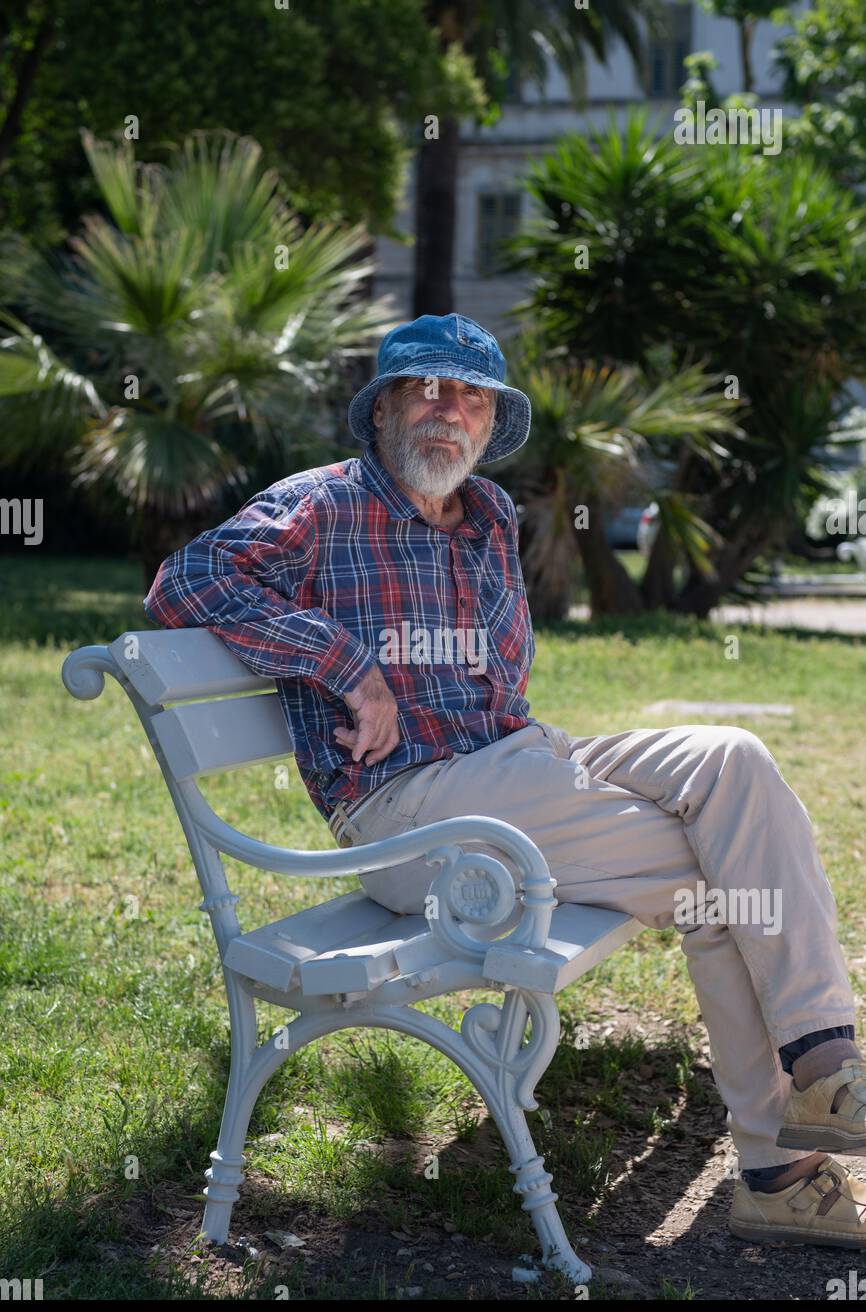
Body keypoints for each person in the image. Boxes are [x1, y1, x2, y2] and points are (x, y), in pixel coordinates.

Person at [144, 312, 866, 1247]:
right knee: (721, 877)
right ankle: (781, 1164)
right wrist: (344, 663)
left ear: (490, 424)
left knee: (733, 757)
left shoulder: (487, 517)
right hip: (411, 817)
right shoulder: (322, 506)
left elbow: (502, 686)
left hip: (517, 765)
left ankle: (822, 1064)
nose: (449, 410)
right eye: (426, 389)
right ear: (385, 411)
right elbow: (185, 584)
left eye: (471, 395)